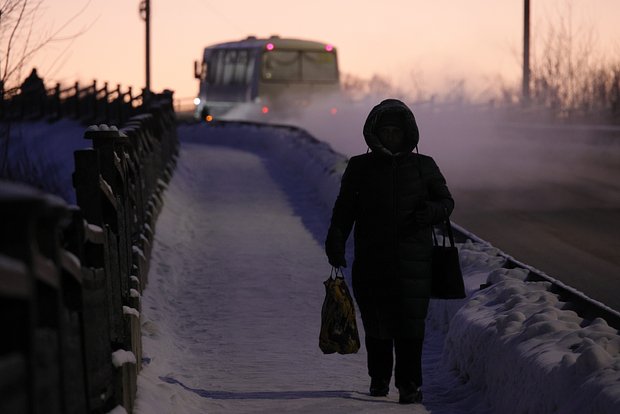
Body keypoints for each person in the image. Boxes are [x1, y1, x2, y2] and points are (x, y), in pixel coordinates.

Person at [325, 98, 454, 404]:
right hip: (372, 260)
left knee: (410, 327)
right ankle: (379, 379)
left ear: (408, 132)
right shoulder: (360, 167)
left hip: (415, 262)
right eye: (386, 131)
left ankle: (409, 386)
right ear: (375, 133)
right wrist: (336, 240)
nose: (392, 136)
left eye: (397, 131)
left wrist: (430, 212)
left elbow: (446, 202)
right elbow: (345, 209)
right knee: (377, 324)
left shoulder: (425, 166)